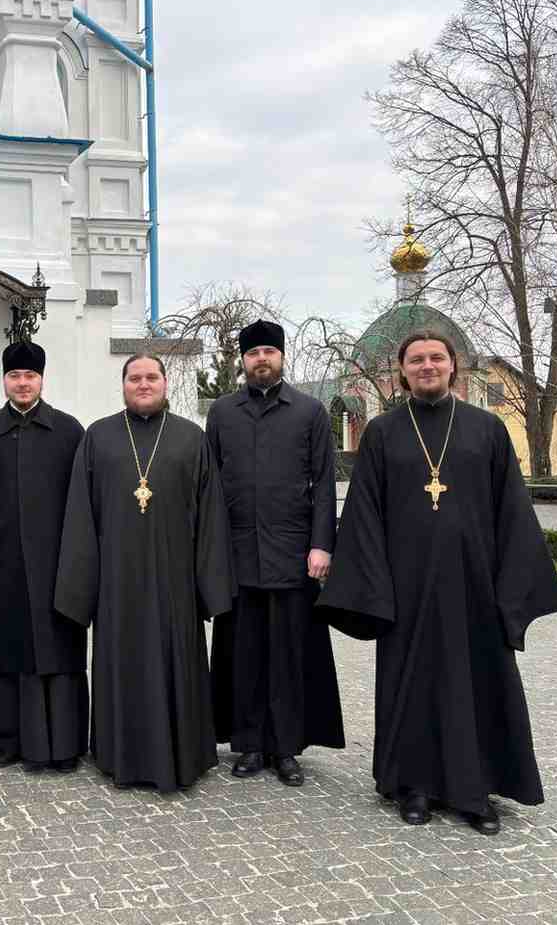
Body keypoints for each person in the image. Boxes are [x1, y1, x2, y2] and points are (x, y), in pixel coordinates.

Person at [318, 331, 557, 835]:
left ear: (453, 367)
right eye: (417, 360)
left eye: (437, 358)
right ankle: (415, 786)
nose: (427, 366)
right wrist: (372, 587)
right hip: (406, 588)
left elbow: (512, 512)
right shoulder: (384, 433)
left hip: (474, 585)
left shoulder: (487, 429)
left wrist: (511, 587)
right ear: (404, 370)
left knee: (477, 682)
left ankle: (476, 792)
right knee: (412, 685)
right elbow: (363, 513)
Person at [55, 354, 234, 790]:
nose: (143, 384)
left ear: (166, 383)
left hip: (175, 583)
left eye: (151, 377)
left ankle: (181, 755)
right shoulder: (98, 437)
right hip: (116, 584)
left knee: (177, 666)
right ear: (123, 385)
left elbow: (210, 518)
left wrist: (209, 587)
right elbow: (81, 515)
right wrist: (83, 589)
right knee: (123, 666)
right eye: (135, 378)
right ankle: (120, 757)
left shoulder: (192, 438)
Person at [206, 320, 344, 787]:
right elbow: (209, 487)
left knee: (288, 654)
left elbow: (325, 482)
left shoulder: (309, 412)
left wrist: (322, 543)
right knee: (242, 654)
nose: (261, 359)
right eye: (253, 353)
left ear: (281, 357)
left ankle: (286, 746)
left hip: (293, 553)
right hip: (239, 553)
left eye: (269, 351)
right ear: (242, 361)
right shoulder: (223, 413)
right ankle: (248, 743)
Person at [0, 340, 87, 772]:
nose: (23, 383)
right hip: (4, 567)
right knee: (8, 652)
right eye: (15, 376)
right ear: (4, 380)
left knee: (59, 653)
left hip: (60, 565)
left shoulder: (70, 432)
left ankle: (63, 744)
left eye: (30, 376)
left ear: (42, 379)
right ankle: (6, 741)